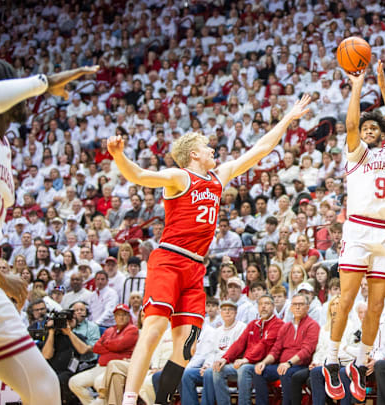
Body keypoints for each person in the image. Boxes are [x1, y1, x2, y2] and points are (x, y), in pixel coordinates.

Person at [111, 94, 312, 405]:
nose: (213, 150)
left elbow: (261, 149)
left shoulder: (219, 177)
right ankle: (128, 399)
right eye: (207, 147)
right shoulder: (180, 177)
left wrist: (287, 119)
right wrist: (119, 156)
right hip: (169, 258)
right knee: (153, 329)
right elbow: (139, 176)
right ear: (194, 154)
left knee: (187, 345)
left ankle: (160, 400)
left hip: (195, 267)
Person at [0, 60, 96, 404]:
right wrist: (43, 82)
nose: (25, 97)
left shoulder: (2, 144)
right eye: (16, 87)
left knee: (44, 387)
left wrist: (1, 278)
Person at [323, 60, 385, 402]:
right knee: (346, 302)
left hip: (384, 234)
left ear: (381, 134)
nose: (367, 131)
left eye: (374, 129)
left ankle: (359, 361)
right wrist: (357, 85)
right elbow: (352, 121)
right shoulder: (355, 154)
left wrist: (382, 83)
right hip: (357, 230)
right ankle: (330, 360)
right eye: (365, 129)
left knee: (377, 305)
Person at [252, 293, 320, 405]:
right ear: (291, 307)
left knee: (286, 372)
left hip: (300, 365)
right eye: (295, 304)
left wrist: (288, 363)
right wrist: (263, 363)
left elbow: (307, 351)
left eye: (301, 304)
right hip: (283, 365)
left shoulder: (312, 325)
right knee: (259, 372)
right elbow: (276, 349)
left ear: (307, 307)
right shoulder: (286, 326)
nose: (297, 307)